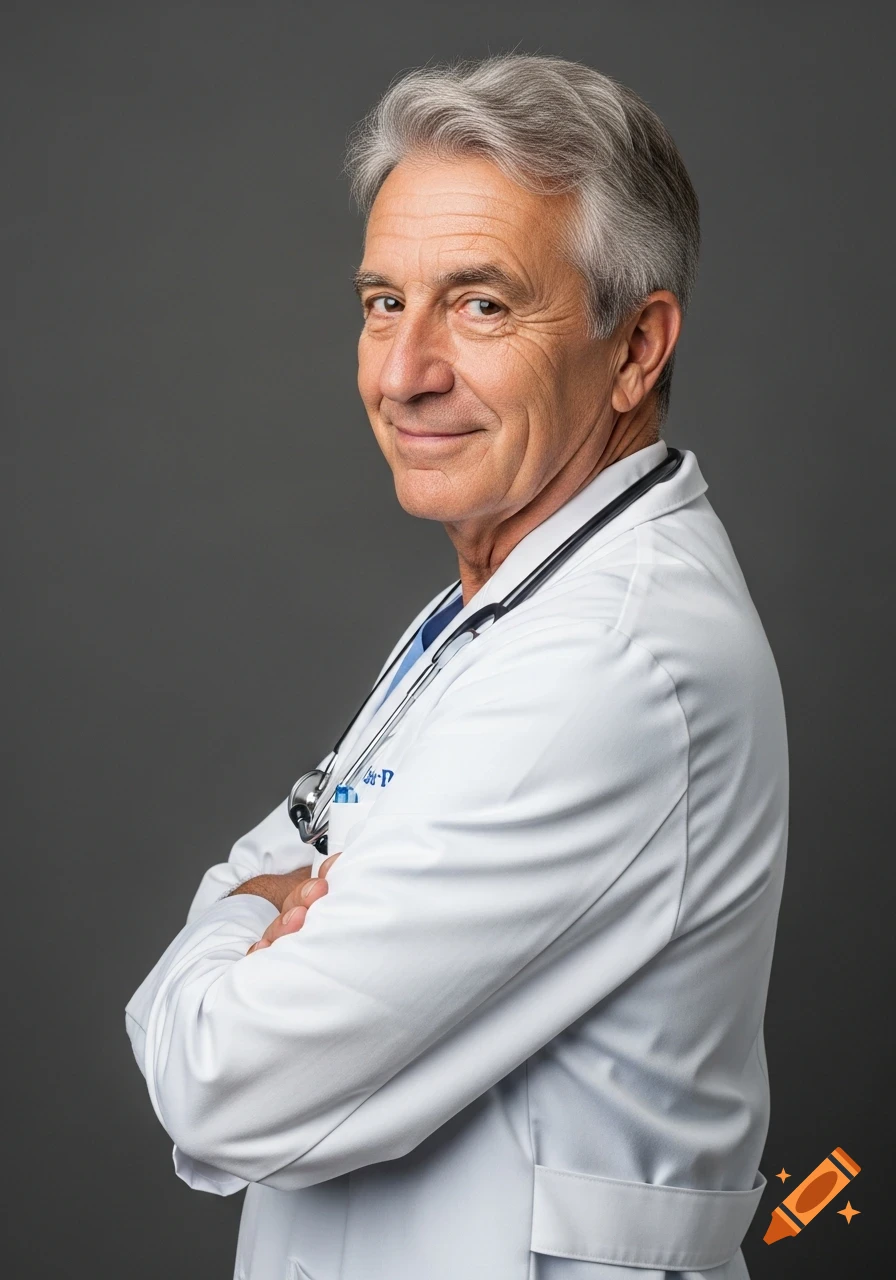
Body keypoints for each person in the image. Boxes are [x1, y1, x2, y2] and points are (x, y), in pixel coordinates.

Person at [126, 53, 788, 1280]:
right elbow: (295, 850)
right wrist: (260, 903)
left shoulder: (603, 663)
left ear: (634, 347)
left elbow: (224, 1080)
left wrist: (229, 917)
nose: (402, 372)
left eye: (480, 304)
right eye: (384, 301)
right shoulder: (494, 606)